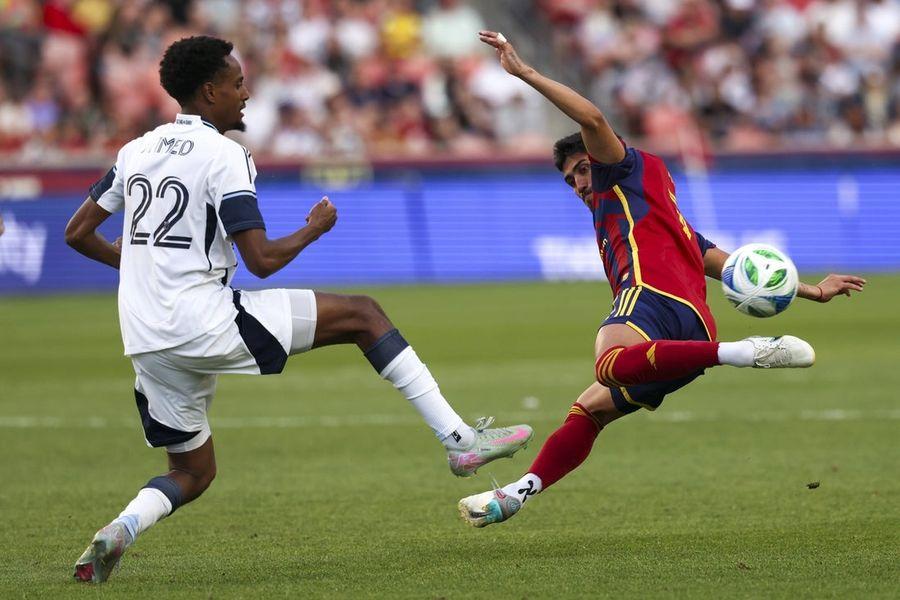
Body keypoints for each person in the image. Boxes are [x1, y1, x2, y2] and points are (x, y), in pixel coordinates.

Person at [64, 35, 532, 583]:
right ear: (210, 91)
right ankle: (460, 443)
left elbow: (77, 233)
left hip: (145, 339)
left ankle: (121, 527)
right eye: (238, 83)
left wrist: (140, 265)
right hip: (203, 320)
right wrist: (313, 229)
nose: (246, 93)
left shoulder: (136, 151)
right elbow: (261, 260)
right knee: (364, 315)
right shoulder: (226, 155)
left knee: (192, 470)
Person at [458, 31, 867, 528]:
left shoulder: (620, 171)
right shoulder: (652, 201)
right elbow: (719, 261)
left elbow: (593, 119)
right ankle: (517, 494)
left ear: (600, 156)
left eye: (582, 169)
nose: (579, 184)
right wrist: (809, 291)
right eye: (570, 180)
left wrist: (525, 73)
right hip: (690, 333)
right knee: (590, 410)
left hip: (651, 299)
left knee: (609, 364)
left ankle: (742, 352)